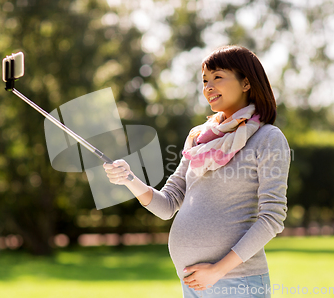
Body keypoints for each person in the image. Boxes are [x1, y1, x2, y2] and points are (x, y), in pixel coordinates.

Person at [103, 45, 290, 298]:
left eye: (217, 77)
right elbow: (168, 204)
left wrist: (217, 271)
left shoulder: (268, 138)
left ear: (246, 83)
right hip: (193, 283)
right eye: (204, 81)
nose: (208, 87)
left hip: (237, 282)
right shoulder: (198, 139)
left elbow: (272, 217)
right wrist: (129, 178)